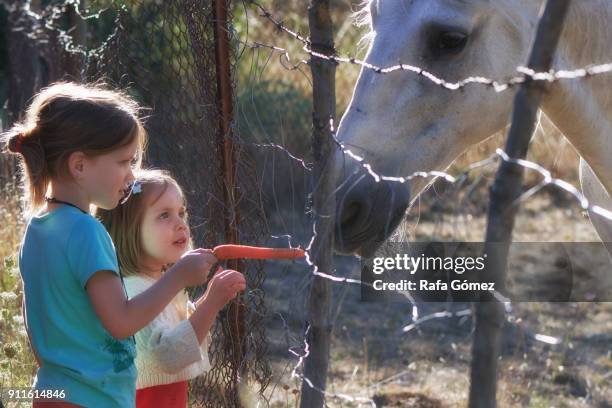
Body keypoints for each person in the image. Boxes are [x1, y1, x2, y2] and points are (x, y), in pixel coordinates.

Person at [1, 82, 219, 407]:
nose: (131, 176)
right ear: (80, 165)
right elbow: (121, 321)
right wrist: (180, 277)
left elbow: (33, 315)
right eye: (124, 162)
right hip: (94, 398)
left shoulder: (38, 228)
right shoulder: (86, 232)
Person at [96, 169, 245, 407]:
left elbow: (174, 330)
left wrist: (207, 299)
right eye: (164, 215)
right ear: (130, 230)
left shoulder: (158, 284)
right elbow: (168, 355)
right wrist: (211, 304)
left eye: (181, 213)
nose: (181, 225)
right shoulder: (134, 291)